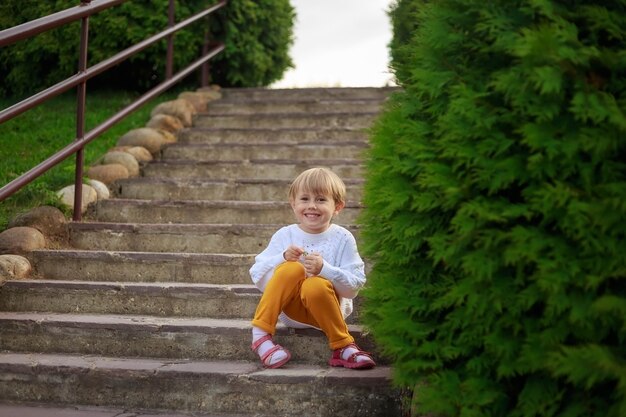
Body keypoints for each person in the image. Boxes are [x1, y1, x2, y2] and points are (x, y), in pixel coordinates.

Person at [249, 167, 376, 370]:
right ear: (293, 204)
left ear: (338, 206)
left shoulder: (343, 238)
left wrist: (324, 269)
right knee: (292, 269)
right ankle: (261, 335)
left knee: (315, 283)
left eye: (321, 200)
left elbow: (353, 288)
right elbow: (257, 275)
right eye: (305, 199)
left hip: (329, 310)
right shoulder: (285, 235)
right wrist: (282, 258)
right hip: (292, 312)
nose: (312, 206)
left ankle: (343, 346)